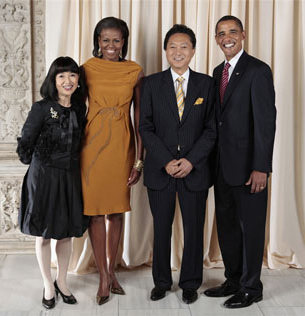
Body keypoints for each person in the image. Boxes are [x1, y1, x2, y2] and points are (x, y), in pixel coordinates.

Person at [139, 24, 216, 304]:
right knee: (161, 228)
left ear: (193, 50)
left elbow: (211, 130)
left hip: (195, 171)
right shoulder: (150, 84)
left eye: (184, 46)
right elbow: (145, 127)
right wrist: (166, 161)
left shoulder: (207, 84)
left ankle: (190, 283)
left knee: (194, 229)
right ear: (165, 51)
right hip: (161, 170)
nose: (178, 51)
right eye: (172, 46)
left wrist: (191, 161)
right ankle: (161, 282)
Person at [204, 15, 276, 308]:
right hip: (221, 166)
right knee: (228, 226)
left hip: (249, 169)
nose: (227, 37)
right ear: (217, 40)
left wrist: (262, 167)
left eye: (232, 31)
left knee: (251, 228)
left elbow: (265, 122)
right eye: (221, 33)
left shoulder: (258, 70)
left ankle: (251, 287)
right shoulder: (216, 71)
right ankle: (232, 279)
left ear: (243, 35)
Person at [80, 17, 144, 305]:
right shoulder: (86, 69)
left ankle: (111, 270)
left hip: (121, 148)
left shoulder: (135, 71)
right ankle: (105, 276)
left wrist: (139, 160)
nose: (110, 45)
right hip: (91, 149)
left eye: (116, 40)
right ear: (97, 41)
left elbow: (140, 120)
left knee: (116, 211)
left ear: (124, 42)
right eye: (105, 39)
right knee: (94, 212)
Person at [17, 56, 89, 309]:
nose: (67, 81)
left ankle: (62, 281)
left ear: (78, 80)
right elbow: (25, 143)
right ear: (53, 80)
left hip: (69, 176)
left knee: (66, 232)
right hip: (44, 177)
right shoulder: (41, 108)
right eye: (61, 76)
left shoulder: (80, 109)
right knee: (44, 235)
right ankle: (48, 284)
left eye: (72, 75)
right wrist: (40, 166)